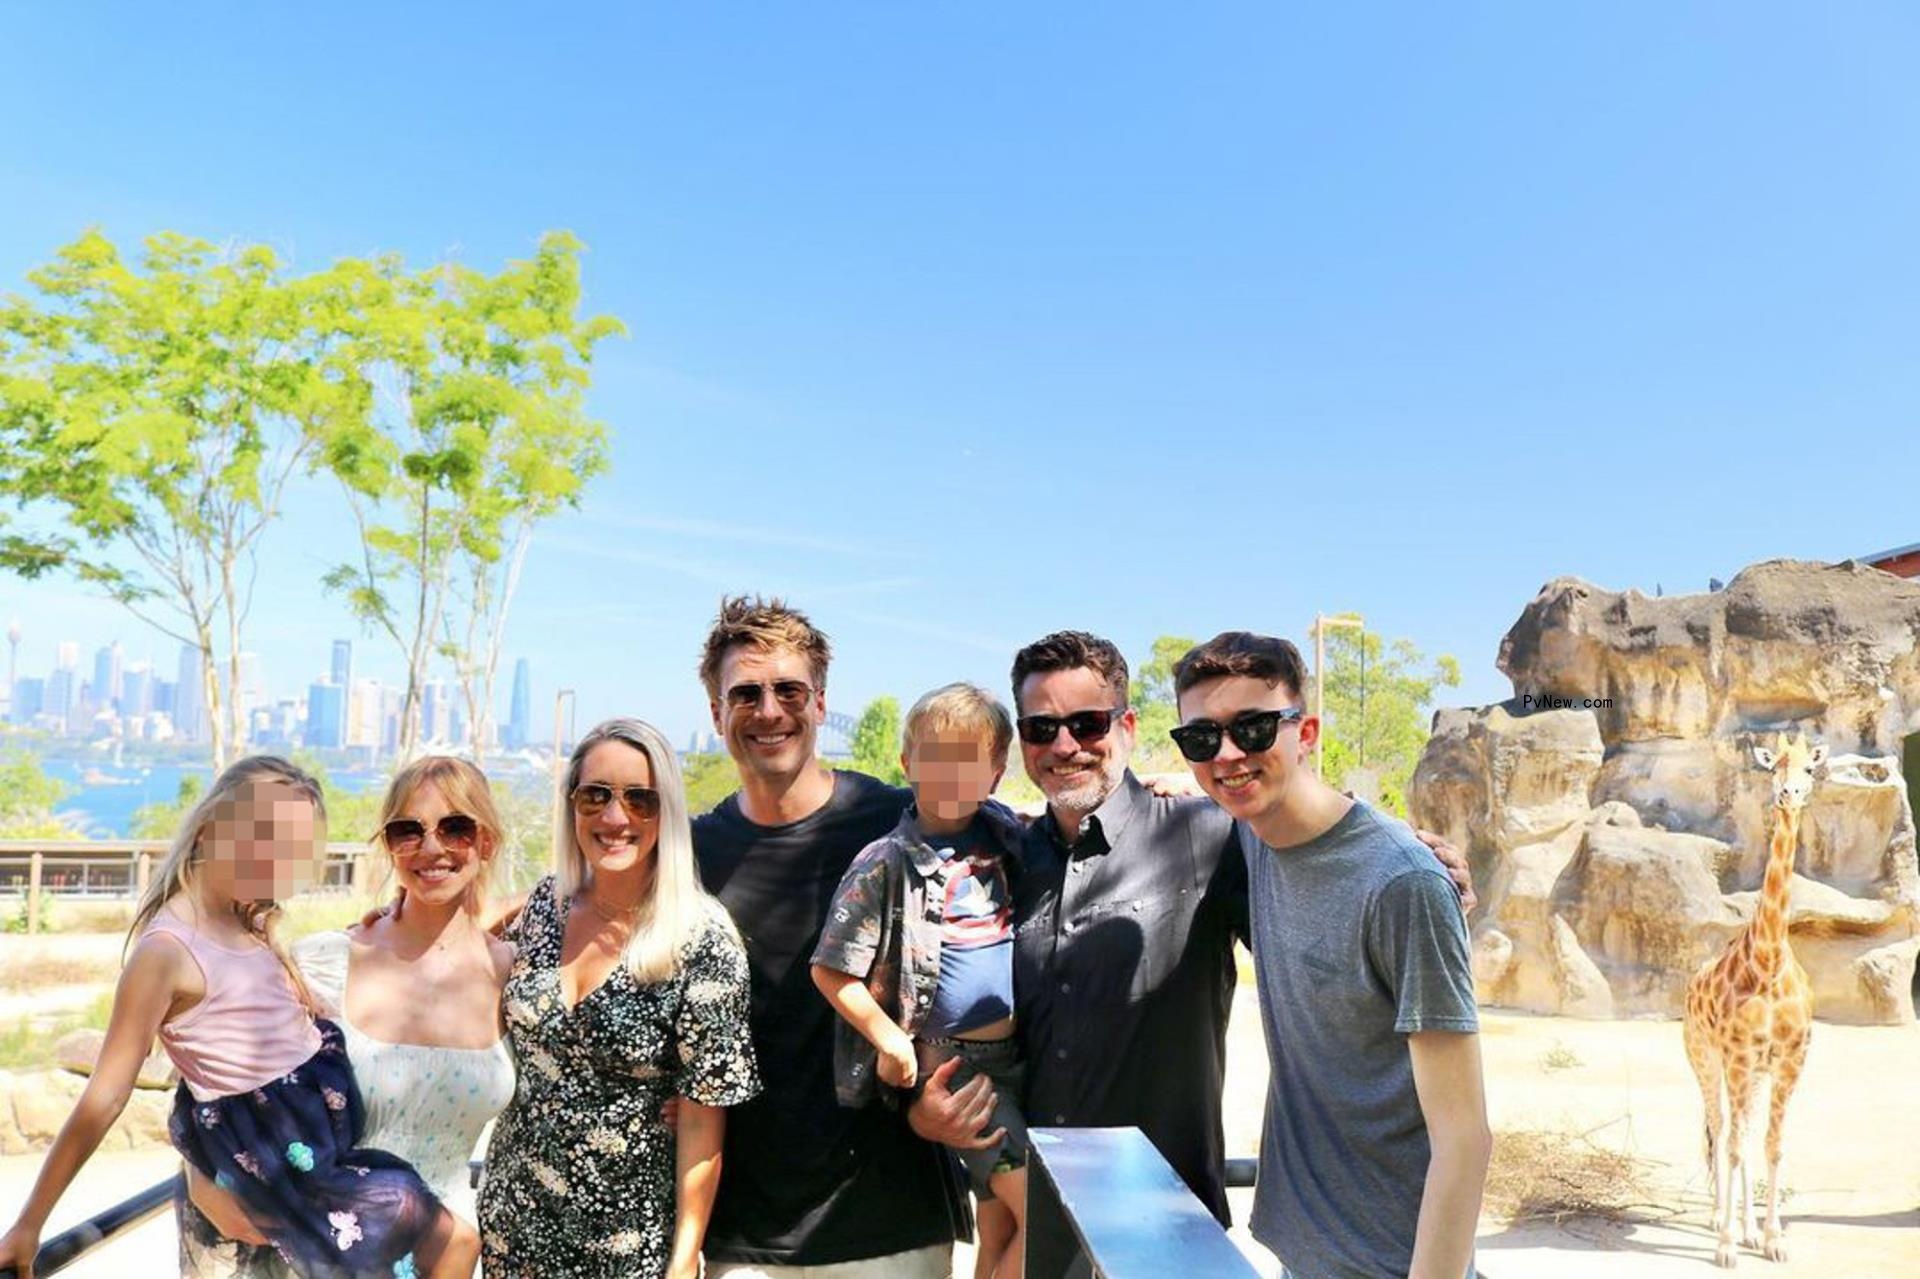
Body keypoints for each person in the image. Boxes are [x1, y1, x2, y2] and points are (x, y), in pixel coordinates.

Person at [909, 630, 1476, 1251]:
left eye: (1088, 723)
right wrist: (922, 1110)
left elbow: (1320, 850)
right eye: (1043, 729)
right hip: (1035, 1219)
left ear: (1124, 725)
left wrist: (1409, 860)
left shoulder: (1217, 838)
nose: (1065, 745)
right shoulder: (999, 858)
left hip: (1167, 1222)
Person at [0, 755, 479, 1279]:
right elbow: (105, 1096)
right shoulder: (167, 951)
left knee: (442, 1241)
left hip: (315, 1147)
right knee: (453, 1241)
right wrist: (30, 1222)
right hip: (278, 1156)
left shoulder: (244, 920)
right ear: (210, 829)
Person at [1172, 631, 1489, 1279]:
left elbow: (1465, 1138)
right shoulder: (1257, 833)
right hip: (1303, 1254)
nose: (1228, 754)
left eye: (1254, 728)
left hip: (1393, 1262)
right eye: (1202, 739)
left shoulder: (1401, 883)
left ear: (1306, 730)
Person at [691, 596, 965, 1279]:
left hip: (891, 1220)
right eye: (745, 693)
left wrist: (1162, 795)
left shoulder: (900, 819)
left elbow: (1029, 847)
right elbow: (595, 900)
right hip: (744, 1233)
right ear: (717, 712)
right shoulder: (688, 852)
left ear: (819, 702)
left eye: (789, 689)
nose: (769, 710)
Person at [477, 717, 760, 1279]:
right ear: (571, 805)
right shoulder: (544, 908)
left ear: (668, 811)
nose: (614, 817)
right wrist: (397, 919)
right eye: (595, 796)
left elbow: (704, 1123)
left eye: (640, 799)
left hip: (630, 1247)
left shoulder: (701, 938)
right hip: (513, 1232)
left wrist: (684, 1258)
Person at [810, 683, 1031, 1279]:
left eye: (969, 761)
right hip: (960, 1074)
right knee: (1046, 1218)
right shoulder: (885, 861)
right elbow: (831, 969)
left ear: (996, 772)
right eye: (936, 758)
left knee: (1000, 1227)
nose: (951, 776)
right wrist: (889, 1039)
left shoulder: (1008, 835)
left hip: (1018, 1060)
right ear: (907, 763)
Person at [293, 756, 517, 1224]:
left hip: (448, 1254)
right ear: (390, 847)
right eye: (407, 831)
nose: (431, 848)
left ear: (486, 842)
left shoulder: (512, 974)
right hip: (328, 1249)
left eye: (455, 828)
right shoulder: (327, 964)